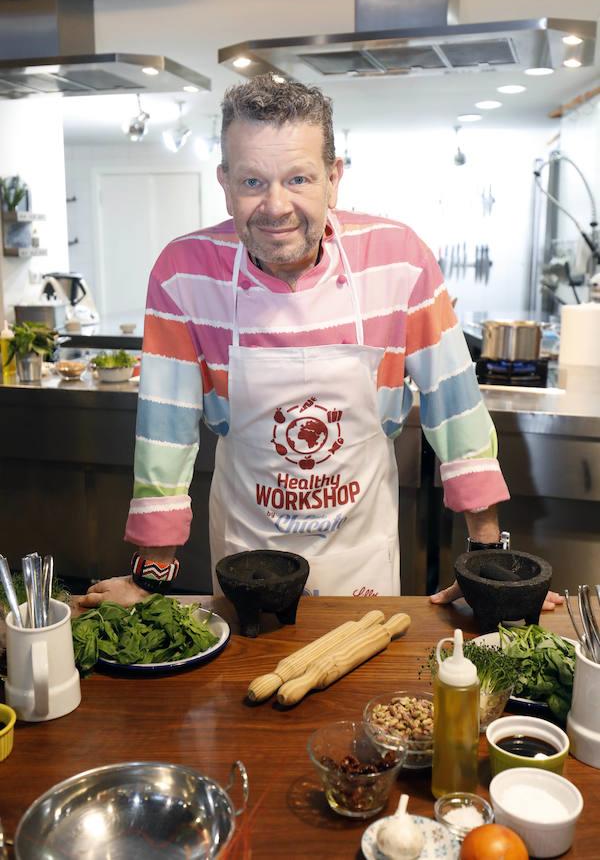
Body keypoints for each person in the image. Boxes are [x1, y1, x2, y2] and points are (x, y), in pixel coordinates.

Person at [79, 75, 562, 612]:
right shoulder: (183, 273)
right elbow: (164, 432)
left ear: (334, 178)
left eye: (299, 178)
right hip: (247, 554)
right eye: (252, 182)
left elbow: (456, 408)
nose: (276, 206)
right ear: (224, 182)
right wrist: (150, 577)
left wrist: (487, 560)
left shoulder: (398, 260)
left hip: (362, 561)